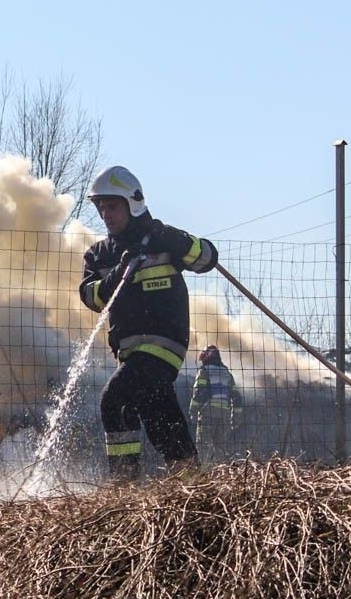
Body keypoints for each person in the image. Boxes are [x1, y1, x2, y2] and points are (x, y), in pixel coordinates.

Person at [78, 165, 218, 480]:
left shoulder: (162, 240)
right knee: (155, 409)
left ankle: (124, 484)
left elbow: (208, 258)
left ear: (133, 203)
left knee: (114, 399)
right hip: (129, 351)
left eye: (111, 206)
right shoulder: (99, 255)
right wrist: (121, 270)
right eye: (101, 207)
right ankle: (191, 480)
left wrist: (174, 239)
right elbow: (91, 297)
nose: (105, 214)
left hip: (164, 343)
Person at [190, 345, 243, 463]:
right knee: (220, 447)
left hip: (208, 413)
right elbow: (237, 397)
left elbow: (199, 392)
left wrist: (193, 410)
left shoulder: (204, 371)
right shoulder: (227, 373)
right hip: (224, 414)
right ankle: (221, 473)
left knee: (203, 445)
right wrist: (236, 417)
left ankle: (204, 474)